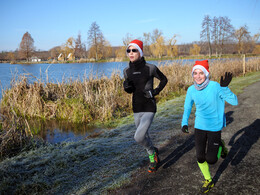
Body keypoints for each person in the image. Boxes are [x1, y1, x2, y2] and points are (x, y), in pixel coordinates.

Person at [181, 60, 238, 193]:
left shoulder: (216, 86)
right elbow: (187, 107)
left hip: (214, 127)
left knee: (211, 160)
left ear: (207, 74)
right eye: (195, 73)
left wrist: (225, 88)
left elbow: (234, 101)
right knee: (200, 157)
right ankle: (209, 180)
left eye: (201, 73)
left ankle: (221, 146)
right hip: (200, 126)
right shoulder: (191, 89)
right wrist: (184, 122)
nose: (198, 76)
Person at [123, 39, 168, 173]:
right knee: (144, 135)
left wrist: (155, 91)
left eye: (134, 50)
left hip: (149, 106)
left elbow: (164, 79)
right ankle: (153, 153)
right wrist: (127, 88)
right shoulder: (126, 71)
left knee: (139, 137)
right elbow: (131, 90)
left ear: (140, 52)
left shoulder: (150, 68)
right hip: (136, 107)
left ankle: (152, 155)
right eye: (128, 50)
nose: (131, 53)